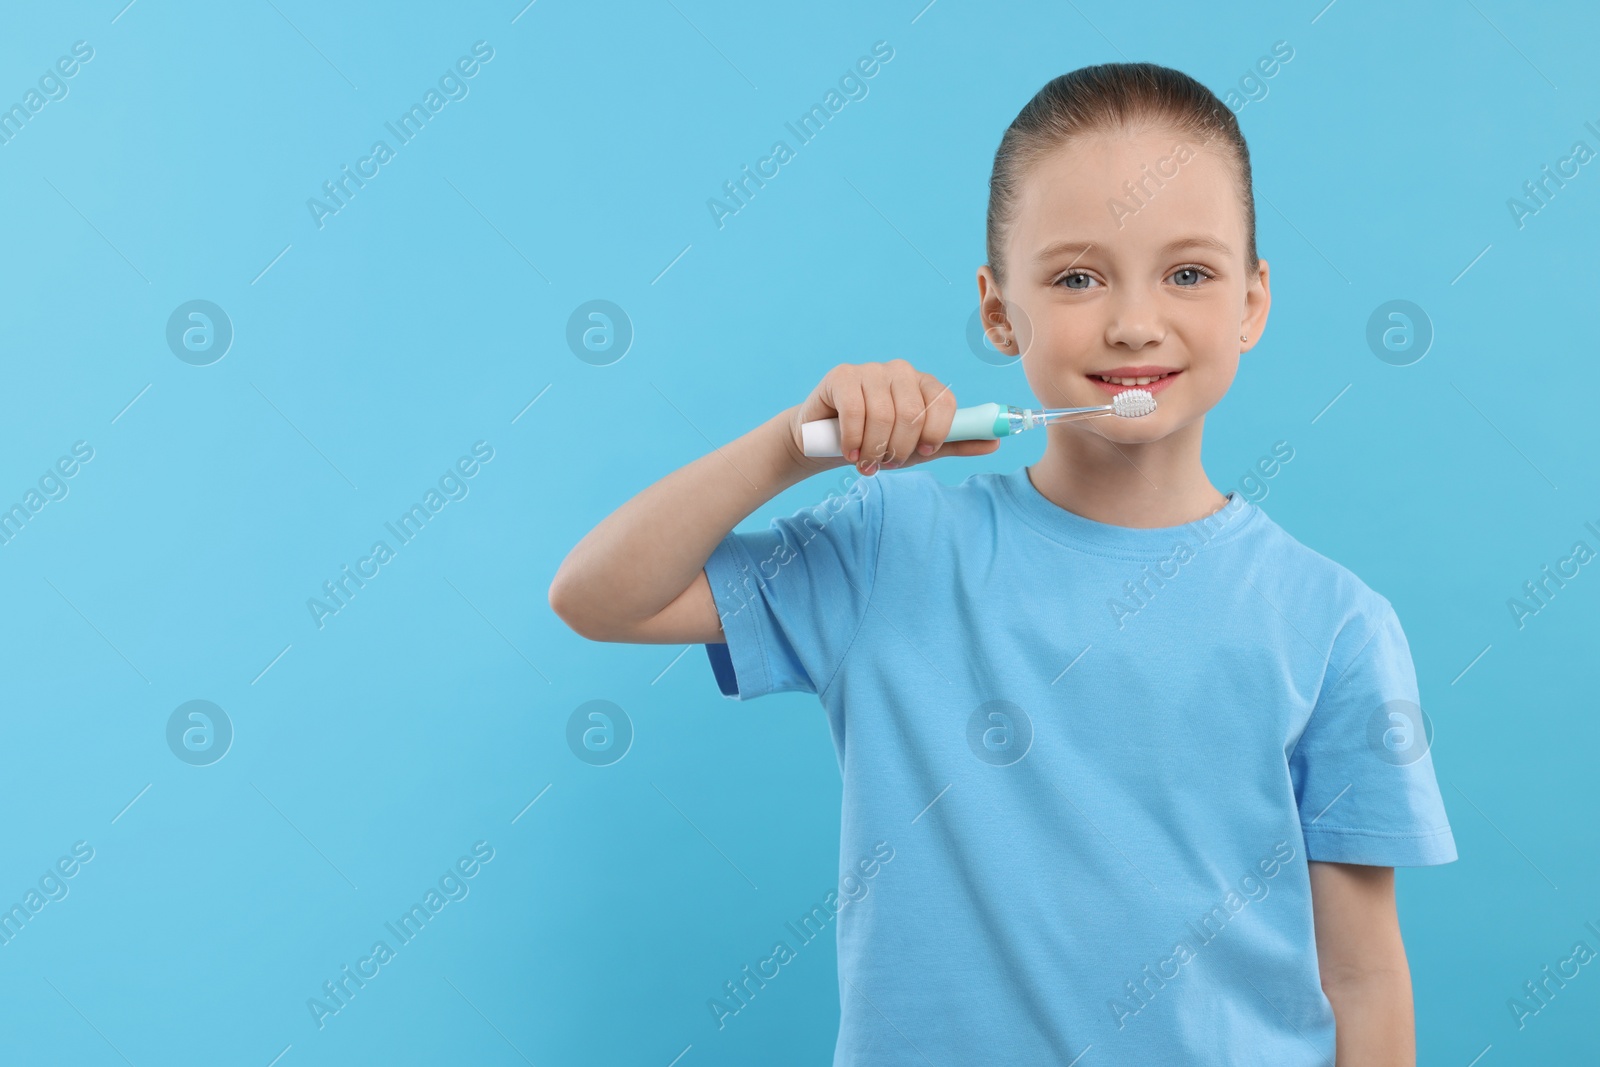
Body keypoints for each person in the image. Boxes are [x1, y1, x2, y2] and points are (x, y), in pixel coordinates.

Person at [550, 61, 1456, 1066]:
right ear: (996, 310)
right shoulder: (892, 545)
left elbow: (1365, 977)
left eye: (1187, 273)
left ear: (1252, 301)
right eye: (1076, 276)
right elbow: (597, 595)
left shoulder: (1333, 620)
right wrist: (786, 443)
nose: (1132, 322)